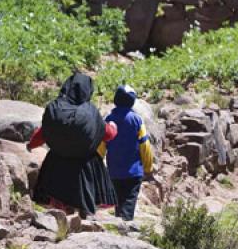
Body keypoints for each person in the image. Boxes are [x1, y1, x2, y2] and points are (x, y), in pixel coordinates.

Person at [28, 73, 118, 218]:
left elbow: (43, 133)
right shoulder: (90, 112)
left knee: (59, 204)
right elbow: (108, 134)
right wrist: (114, 127)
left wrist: (31, 145)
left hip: (56, 164)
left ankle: (61, 220)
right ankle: (84, 217)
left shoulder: (55, 109)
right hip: (85, 167)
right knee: (87, 200)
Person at [103, 85, 153, 221]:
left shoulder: (109, 119)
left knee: (118, 200)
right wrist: (148, 167)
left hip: (114, 170)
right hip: (133, 171)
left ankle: (119, 221)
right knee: (129, 201)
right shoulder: (136, 120)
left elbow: (101, 144)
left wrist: (99, 163)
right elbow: (145, 145)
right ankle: (125, 225)